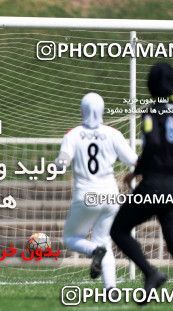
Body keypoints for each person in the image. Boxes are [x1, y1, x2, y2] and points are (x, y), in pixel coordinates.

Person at [110, 63, 173, 302]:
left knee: (118, 229)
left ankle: (150, 272)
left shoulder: (150, 114)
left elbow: (151, 144)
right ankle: (152, 275)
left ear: (151, 85)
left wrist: (136, 172)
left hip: (154, 187)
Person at [56, 92, 137, 290]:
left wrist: (56, 164)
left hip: (86, 196)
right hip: (110, 195)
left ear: (82, 110)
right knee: (104, 241)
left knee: (72, 238)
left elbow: (62, 162)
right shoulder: (113, 134)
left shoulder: (73, 134)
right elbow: (134, 161)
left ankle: (94, 251)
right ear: (102, 110)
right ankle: (111, 289)